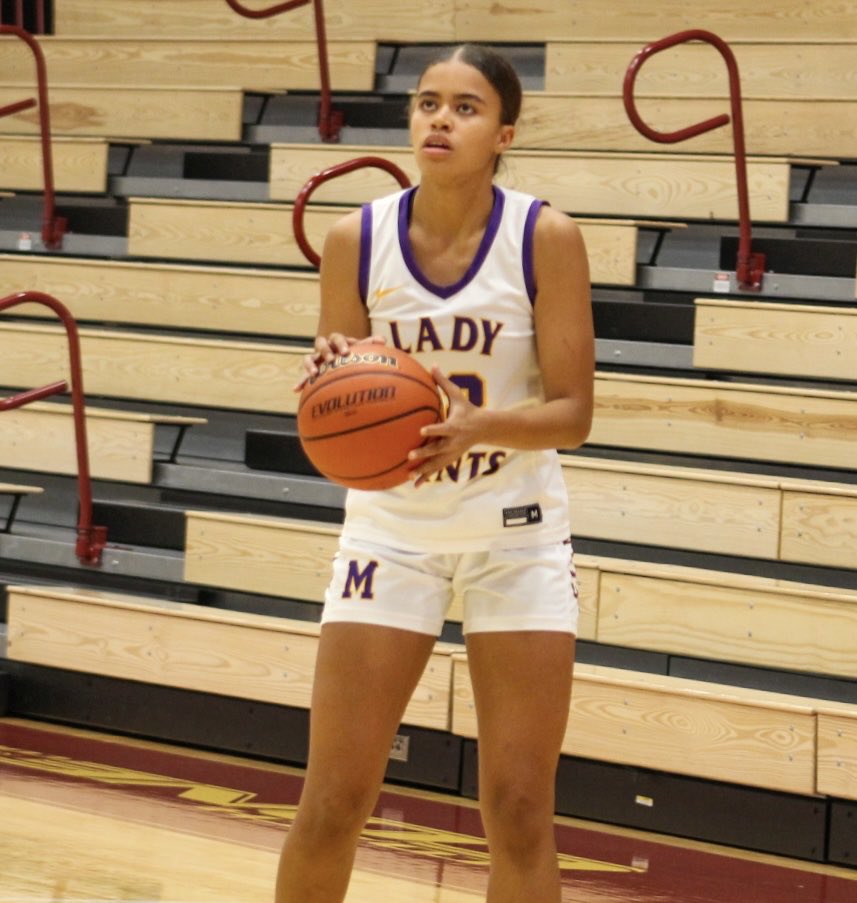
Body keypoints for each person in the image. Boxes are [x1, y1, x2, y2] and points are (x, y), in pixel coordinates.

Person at [276, 43, 594, 903]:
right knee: (333, 798)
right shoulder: (356, 237)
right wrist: (327, 376)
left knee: (520, 808)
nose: (439, 120)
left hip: (515, 534)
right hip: (393, 531)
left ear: (504, 133)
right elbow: (338, 385)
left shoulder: (545, 235)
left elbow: (574, 412)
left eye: (464, 107)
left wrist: (475, 426)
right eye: (425, 103)